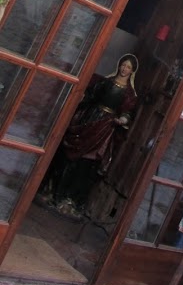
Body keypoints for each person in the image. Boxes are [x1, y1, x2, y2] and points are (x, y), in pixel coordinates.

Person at [40, 54, 139, 218]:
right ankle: (54, 191)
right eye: (123, 65)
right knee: (68, 156)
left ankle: (72, 198)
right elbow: (90, 96)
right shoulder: (106, 82)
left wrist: (123, 119)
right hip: (89, 118)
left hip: (104, 127)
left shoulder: (129, 94)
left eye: (128, 67)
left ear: (132, 71)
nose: (124, 69)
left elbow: (128, 112)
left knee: (86, 164)